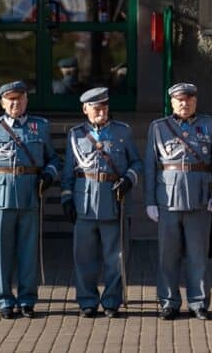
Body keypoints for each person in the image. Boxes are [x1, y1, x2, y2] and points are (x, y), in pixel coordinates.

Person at [0, 81, 59, 319]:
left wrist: (49, 175)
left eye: (19, 99)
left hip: (30, 194)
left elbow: (53, 159)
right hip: (0, 197)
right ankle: (5, 300)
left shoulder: (40, 127)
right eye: (10, 100)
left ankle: (28, 299)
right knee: (2, 252)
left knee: (29, 252)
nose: (15, 104)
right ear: (2, 103)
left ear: (26, 100)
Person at [144, 82, 212, 321]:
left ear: (195, 101)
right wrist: (149, 200)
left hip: (200, 199)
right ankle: (168, 302)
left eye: (189, 99)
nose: (184, 103)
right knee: (167, 256)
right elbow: (150, 167)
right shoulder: (158, 127)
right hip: (167, 200)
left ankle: (198, 302)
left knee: (198, 255)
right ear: (172, 102)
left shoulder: (209, 124)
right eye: (180, 99)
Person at [61, 87, 141, 318]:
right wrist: (66, 198)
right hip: (84, 203)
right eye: (96, 108)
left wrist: (128, 179)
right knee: (84, 258)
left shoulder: (122, 132)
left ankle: (111, 301)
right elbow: (68, 171)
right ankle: (87, 301)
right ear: (85, 109)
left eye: (104, 107)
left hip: (113, 201)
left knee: (114, 258)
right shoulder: (75, 135)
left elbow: (136, 162)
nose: (101, 111)